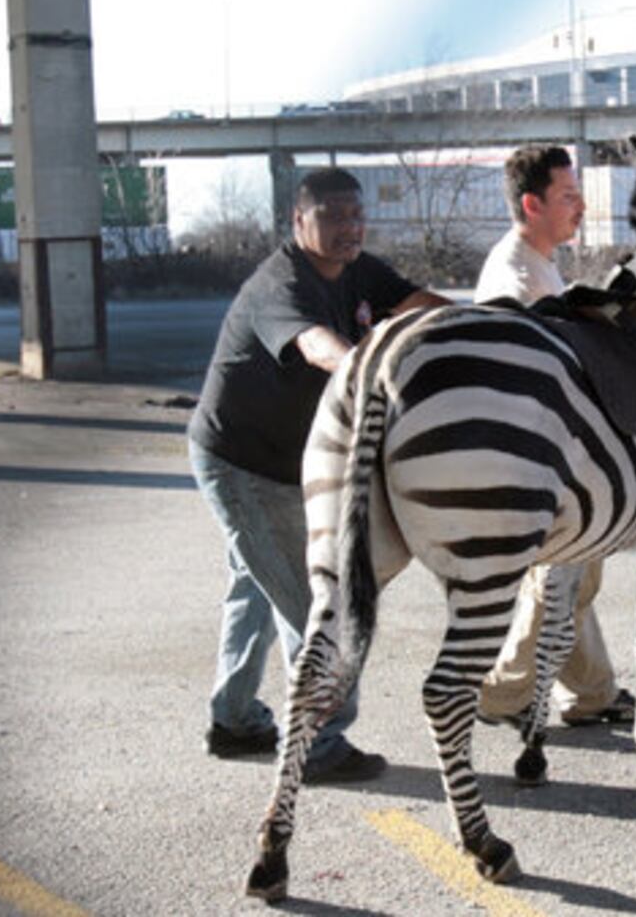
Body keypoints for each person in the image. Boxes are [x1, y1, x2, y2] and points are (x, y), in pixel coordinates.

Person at [187, 167, 448, 782]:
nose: (347, 228)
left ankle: (233, 720)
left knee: (254, 590)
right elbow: (317, 347)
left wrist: (485, 327)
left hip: (289, 464)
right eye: (331, 216)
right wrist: (374, 374)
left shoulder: (361, 270)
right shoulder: (279, 284)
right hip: (241, 466)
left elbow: (419, 304)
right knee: (316, 605)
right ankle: (321, 745)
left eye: (355, 215)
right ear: (297, 222)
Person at [474, 144, 635, 727]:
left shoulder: (538, 262)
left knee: (575, 567)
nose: (581, 207)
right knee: (561, 575)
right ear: (531, 203)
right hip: (533, 463)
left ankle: (591, 691)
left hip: (550, 456)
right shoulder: (516, 283)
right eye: (568, 197)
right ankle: (494, 696)